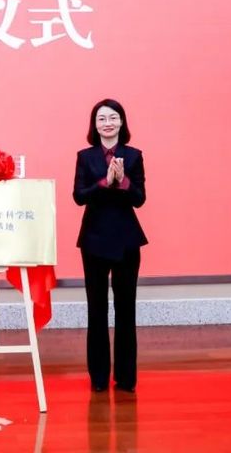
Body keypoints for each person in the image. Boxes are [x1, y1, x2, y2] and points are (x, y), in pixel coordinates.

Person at [73, 99, 148, 393]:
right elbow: (79, 196)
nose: (107, 123)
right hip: (93, 240)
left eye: (113, 117)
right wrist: (104, 182)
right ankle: (99, 378)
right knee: (97, 309)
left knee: (126, 309)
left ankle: (126, 378)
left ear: (122, 122)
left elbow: (139, 199)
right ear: (95, 125)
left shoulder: (134, 155)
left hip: (127, 240)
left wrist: (123, 180)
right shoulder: (85, 157)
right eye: (101, 118)